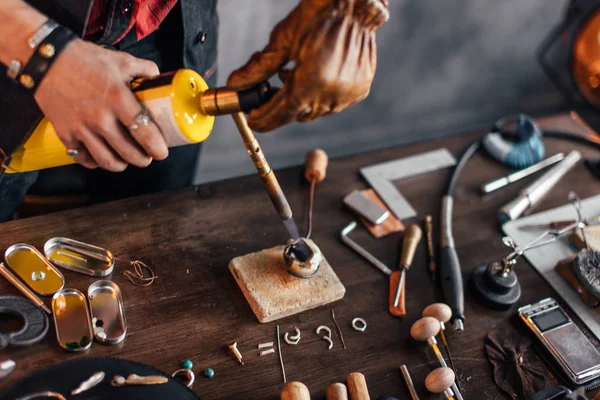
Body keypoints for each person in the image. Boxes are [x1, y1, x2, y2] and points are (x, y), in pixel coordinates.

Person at [0, 0, 389, 221]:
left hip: (168, 38)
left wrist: (351, 10)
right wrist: (44, 55)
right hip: (15, 43)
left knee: (149, 241)